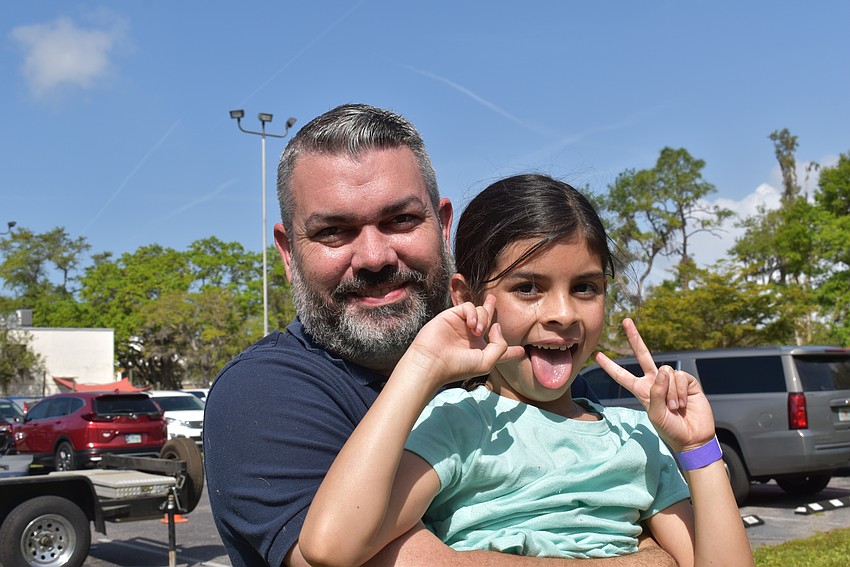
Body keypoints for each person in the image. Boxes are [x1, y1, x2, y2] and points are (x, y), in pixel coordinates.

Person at [204, 104, 672, 567]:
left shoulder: (526, 368)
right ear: (289, 253)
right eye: (334, 231)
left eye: (401, 220)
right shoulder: (262, 394)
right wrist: (654, 560)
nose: (374, 257)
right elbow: (343, 556)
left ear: (443, 225)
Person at [300, 174, 754, 566]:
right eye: (528, 287)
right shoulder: (457, 423)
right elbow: (331, 546)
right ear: (467, 298)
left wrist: (698, 447)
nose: (562, 313)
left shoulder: (636, 437)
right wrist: (421, 365)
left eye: (585, 288)